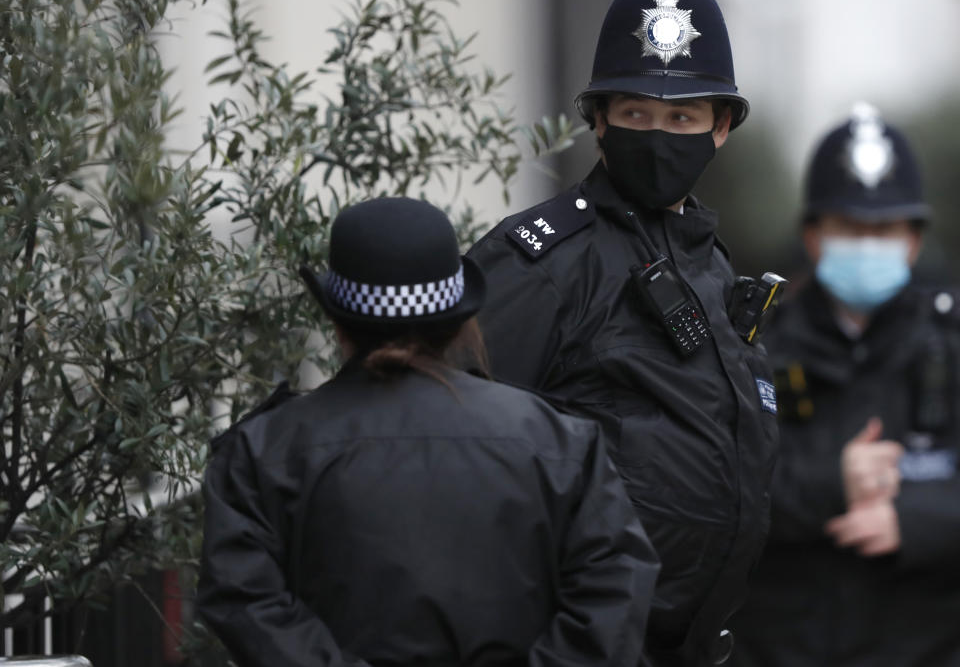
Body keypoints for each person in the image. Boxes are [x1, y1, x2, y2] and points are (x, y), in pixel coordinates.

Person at [468, 0, 781, 666]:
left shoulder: (710, 262)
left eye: (682, 118)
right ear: (598, 121)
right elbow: (452, 444)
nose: (659, 135)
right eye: (636, 114)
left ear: (721, 126)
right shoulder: (541, 261)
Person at [196, 196, 660, 667]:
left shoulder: (264, 450)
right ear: (462, 320)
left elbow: (244, 601)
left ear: (337, 322)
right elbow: (613, 588)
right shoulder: (558, 443)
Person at [728, 103, 960, 667]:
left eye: (883, 230)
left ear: (913, 241)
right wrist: (831, 480)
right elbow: (717, 491)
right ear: (813, 237)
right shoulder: (753, 347)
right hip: (782, 647)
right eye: (850, 228)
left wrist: (918, 520)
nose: (868, 243)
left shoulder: (950, 342)